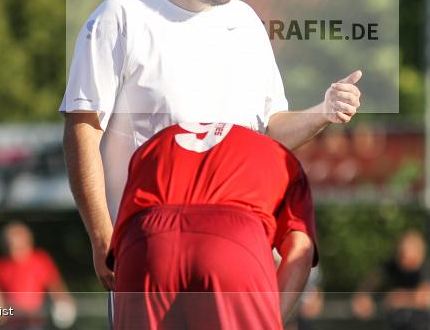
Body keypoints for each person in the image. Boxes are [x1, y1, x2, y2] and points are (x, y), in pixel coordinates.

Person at [61, 0, 362, 291]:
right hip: (148, 249)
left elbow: (269, 131)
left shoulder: (247, 24)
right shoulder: (122, 17)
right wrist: (101, 234)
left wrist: (322, 111)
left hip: (236, 251)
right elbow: (83, 130)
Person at [108, 122, 317, 329]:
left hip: (147, 242)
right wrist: (268, 319)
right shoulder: (277, 154)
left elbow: (126, 230)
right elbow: (300, 249)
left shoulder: (153, 144)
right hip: (232, 241)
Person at [0, 221, 76, 330]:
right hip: (11, 323)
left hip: (35, 321)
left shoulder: (41, 260)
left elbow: (55, 287)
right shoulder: (0, 265)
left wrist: (63, 304)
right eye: (11, 244)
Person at [351, 229, 430, 330]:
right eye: (401, 252)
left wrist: (397, 298)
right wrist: (363, 297)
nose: (403, 257)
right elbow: (371, 282)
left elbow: (424, 299)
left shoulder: (424, 270)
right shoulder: (392, 266)